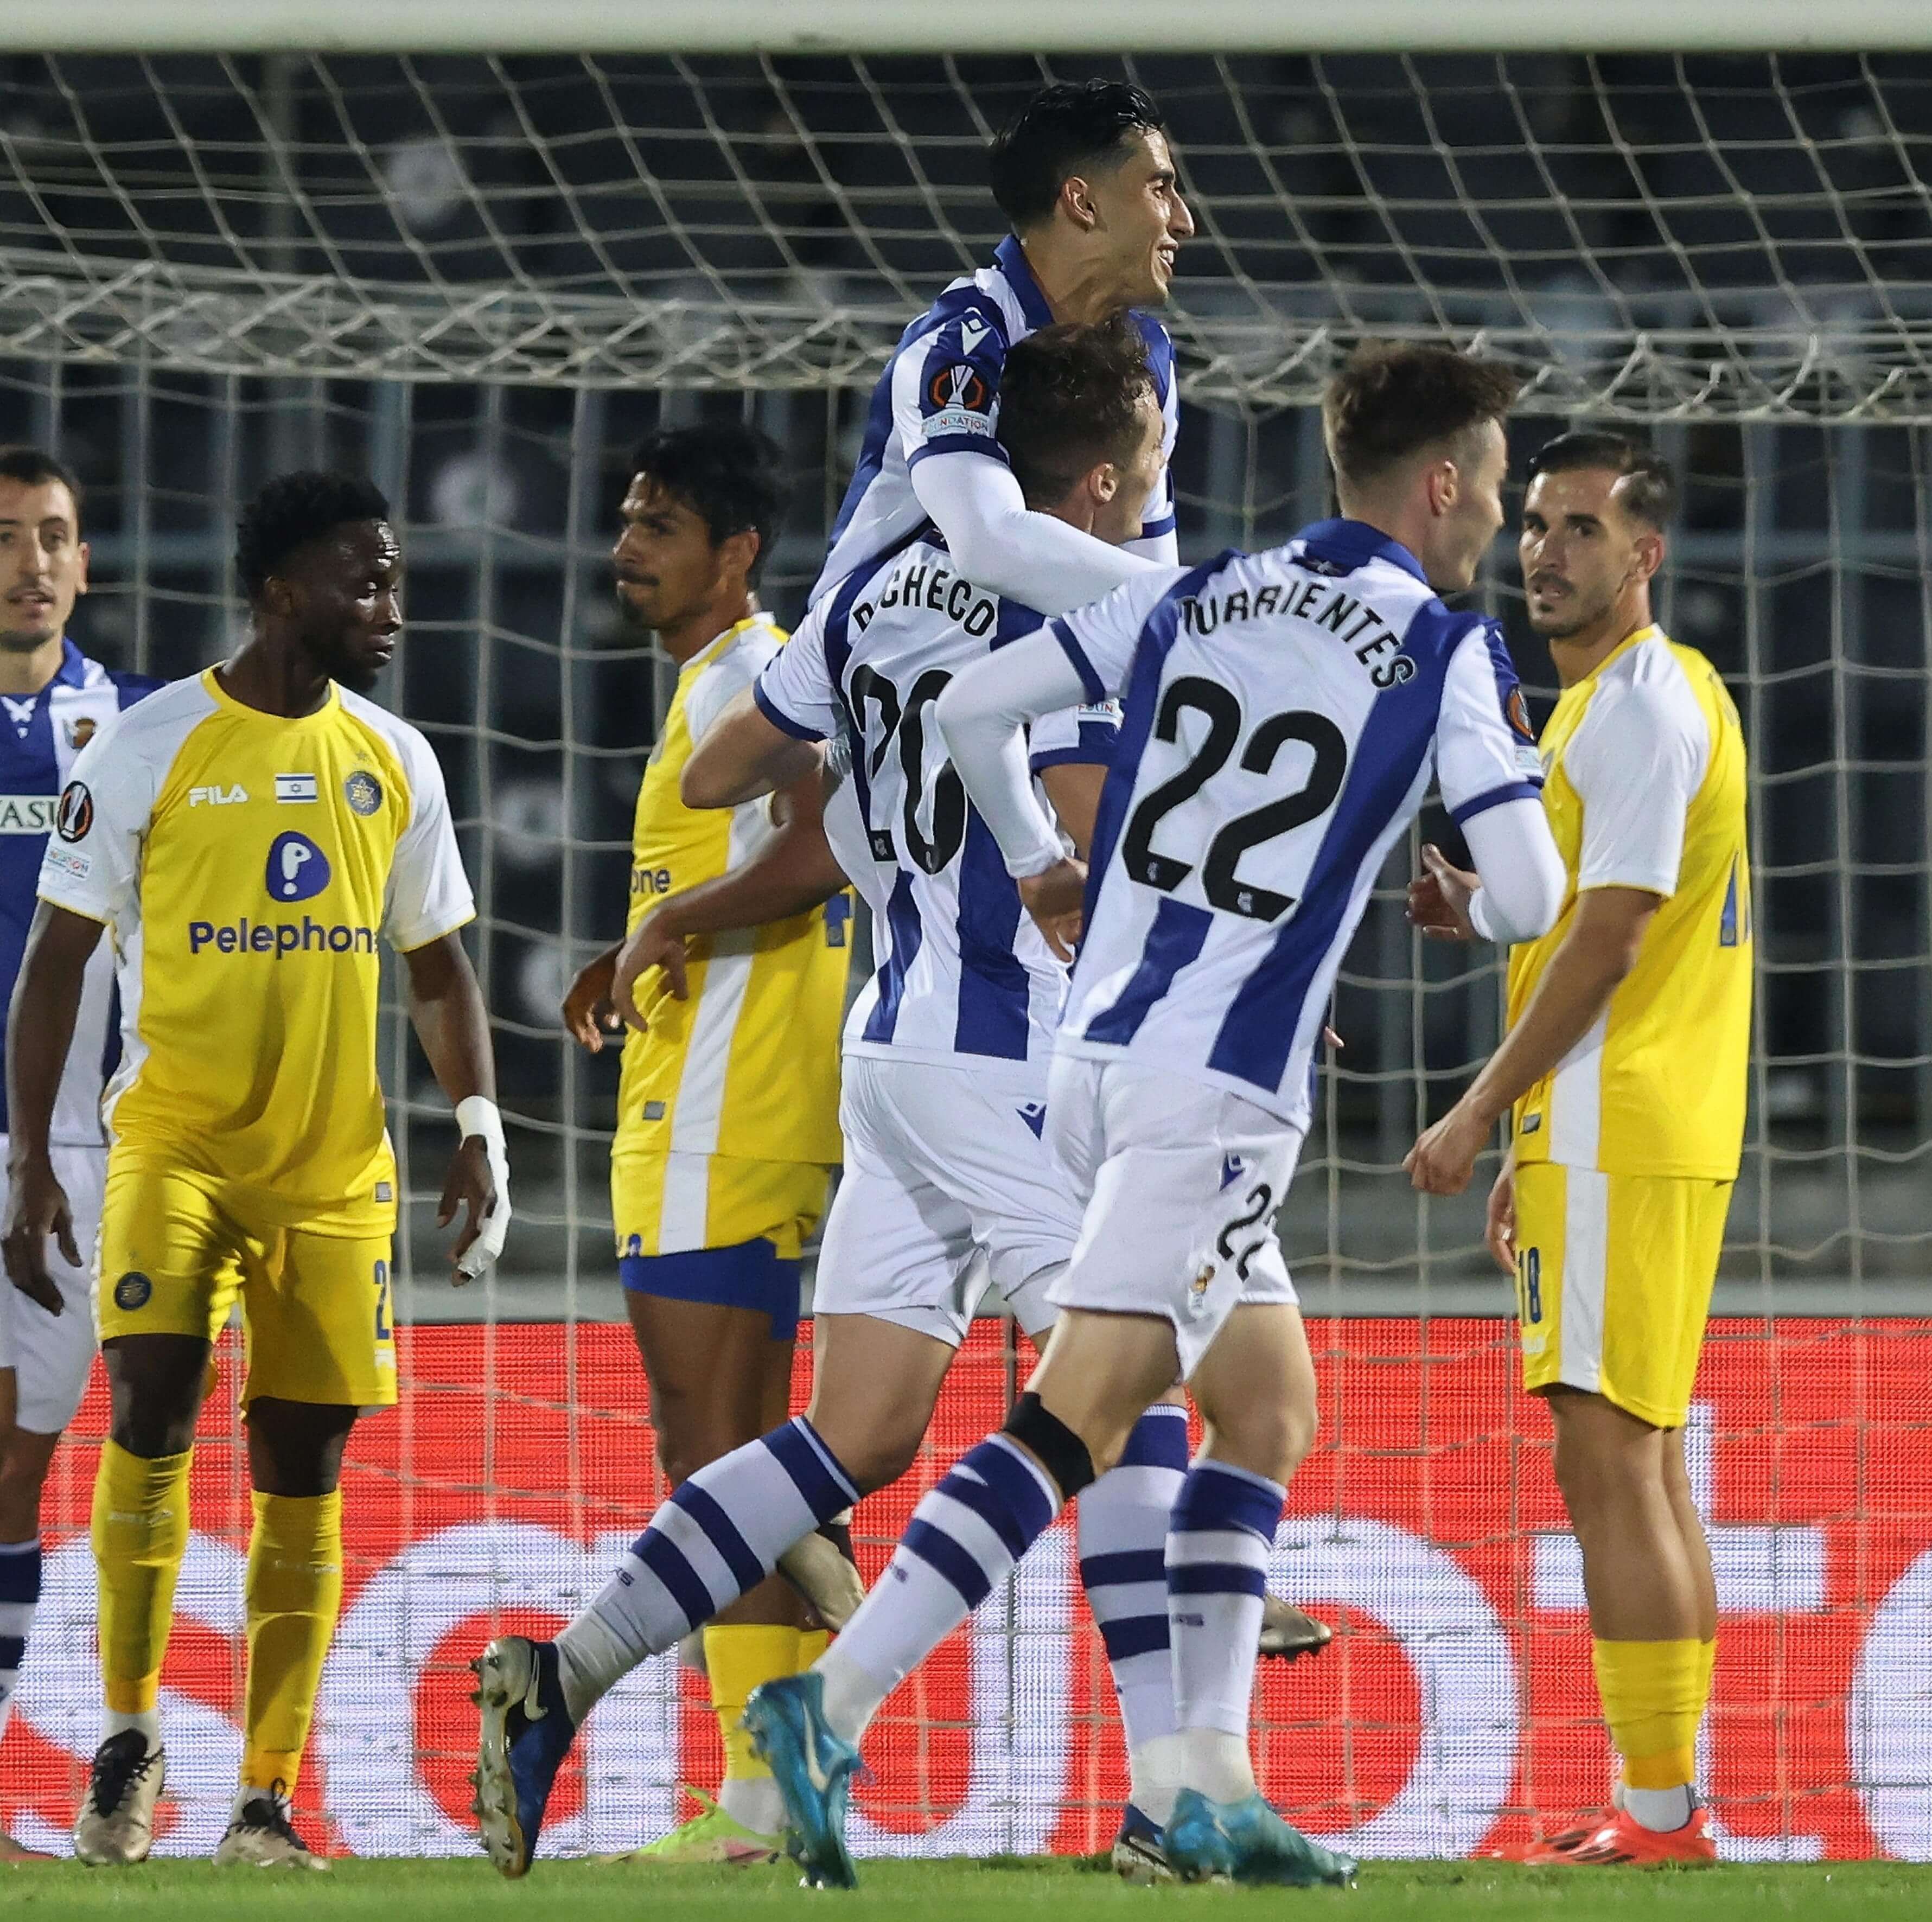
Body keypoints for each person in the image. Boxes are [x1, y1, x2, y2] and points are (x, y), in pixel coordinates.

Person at [471, 318, 1315, 1885]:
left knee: (856, 1429)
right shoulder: (1065, 596)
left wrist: (818, 769)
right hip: (1002, 1051)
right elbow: (1076, 825)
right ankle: (1168, 1796)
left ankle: (560, 1669)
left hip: (894, 1044)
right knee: (1113, 1384)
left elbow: (741, 776)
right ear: (1111, 473)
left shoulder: (875, 585)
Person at [728, 341, 1565, 1892]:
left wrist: (1046, 855)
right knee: (1077, 1416)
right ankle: (824, 1706)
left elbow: (980, 704)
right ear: (1442, 484)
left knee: (1268, 1405)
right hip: (1216, 1092)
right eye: (1500, 488)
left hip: (1093, 1058)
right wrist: (1454, 871)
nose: (1499, 521)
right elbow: (1528, 895)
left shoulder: (1198, 591)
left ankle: (1209, 1780)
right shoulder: (1445, 644)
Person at [1, 471, 506, 1870]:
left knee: (303, 1465)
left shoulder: (397, 758)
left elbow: (440, 963)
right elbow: (55, 968)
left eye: (394, 578)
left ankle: (266, 1798)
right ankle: (128, 1737)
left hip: (336, 1170)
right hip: (173, 1143)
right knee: (151, 1401)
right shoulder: (148, 745)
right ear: (283, 594)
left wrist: (478, 1124)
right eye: (367, 581)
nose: (391, 607)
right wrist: (37, 1157)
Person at [1405, 433, 1750, 1867]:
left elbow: (1611, 937)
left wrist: (1483, 1105)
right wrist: (1484, 911)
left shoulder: (1632, 708)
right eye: (1538, 523)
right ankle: (1668, 1805)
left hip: (1619, 1124)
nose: (1548, 550)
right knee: (1646, 1463)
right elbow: (1605, 907)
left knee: (1609, 1464)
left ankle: (1663, 1813)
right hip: (1627, 1125)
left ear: (1644, 555)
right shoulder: (1640, 704)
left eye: (1585, 529)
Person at [552, 422, 851, 1864]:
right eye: (626, 518)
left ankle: (762, 1797)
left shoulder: (752, 676)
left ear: (733, 555)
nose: (628, 547)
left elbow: (826, 843)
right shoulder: (720, 680)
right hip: (710, 1101)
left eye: (657, 522)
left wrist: (669, 923)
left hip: (732, 1111)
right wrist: (639, 942)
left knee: (716, 1454)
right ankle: (780, 1783)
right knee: (725, 1460)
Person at [0, 449, 158, 1860]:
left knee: (18, 1465)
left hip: (65, 1144)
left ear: (88, 562)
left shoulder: (133, 730)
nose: (31, 563)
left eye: (53, 536)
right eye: (5, 538)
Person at [813, 76, 1188, 617]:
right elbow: (990, 548)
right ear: (1082, 202)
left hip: (1023, 667)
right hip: (866, 667)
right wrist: (1202, 606)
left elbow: (1148, 565)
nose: (1184, 220)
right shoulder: (962, 343)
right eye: (1160, 188)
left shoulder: (1148, 357)